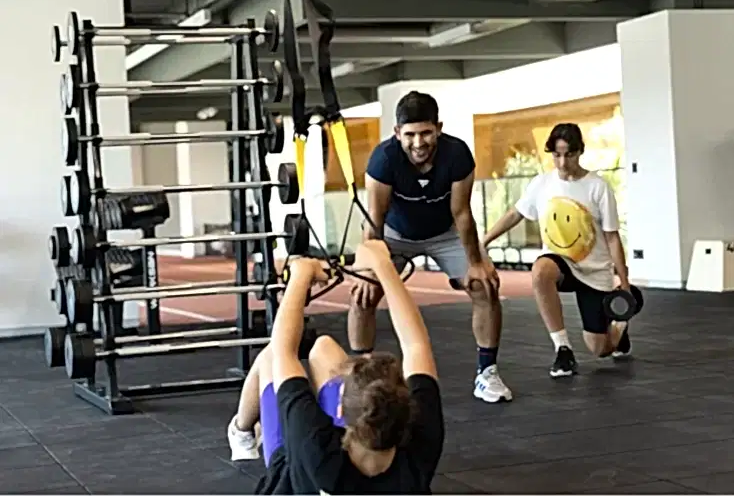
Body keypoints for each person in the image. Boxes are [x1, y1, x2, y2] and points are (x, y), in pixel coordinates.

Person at [227, 240, 445, 494]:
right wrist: (383, 266)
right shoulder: (420, 445)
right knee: (324, 347)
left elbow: (283, 351)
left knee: (269, 358)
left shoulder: (314, 445)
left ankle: (241, 431)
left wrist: (301, 274)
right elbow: (416, 345)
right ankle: (243, 431)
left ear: (340, 411)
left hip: (291, 477)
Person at [348, 90, 512, 404]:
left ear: (438, 128)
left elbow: (461, 213)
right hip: (394, 234)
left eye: (425, 133)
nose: (418, 143)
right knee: (362, 294)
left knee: (485, 286)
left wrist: (476, 263)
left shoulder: (457, 154)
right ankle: (360, 377)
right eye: (410, 135)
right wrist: (367, 268)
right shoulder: (383, 160)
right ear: (397, 133)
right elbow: (374, 219)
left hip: (444, 233)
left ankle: (487, 372)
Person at [483, 123, 632, 379]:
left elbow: (612, 237)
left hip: (594, 271)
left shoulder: (597, 187)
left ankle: (619, 327)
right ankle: (562, 349)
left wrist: (625, 284)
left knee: (600, 349)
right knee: (541, 270)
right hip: (561, 264)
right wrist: (483, 241)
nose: (562, 163)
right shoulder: (542, 184)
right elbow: (515, 214)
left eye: (569, 155)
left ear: (580, 152)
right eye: (557, 155)